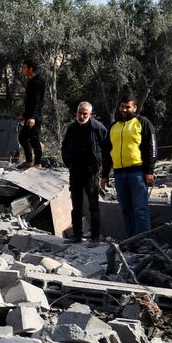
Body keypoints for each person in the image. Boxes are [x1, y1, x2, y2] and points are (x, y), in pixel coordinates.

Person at [101, 93, 157, 242]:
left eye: (128, 107)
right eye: (122, 107)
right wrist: (105, 174)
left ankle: (145, 243)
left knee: (140, 210)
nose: (124, 110)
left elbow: (151, 147)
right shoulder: (114, 127)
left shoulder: (142, 122)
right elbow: (107, 152)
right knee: (126, 210)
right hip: (119, 175)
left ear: (135, 107)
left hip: (137, 173)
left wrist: (149, 171)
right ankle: (132, 242)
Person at [61, 102, 108, 243]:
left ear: (90, 114)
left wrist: (102, 168)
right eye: (79, 113)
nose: (81, 116)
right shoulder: (71, 128)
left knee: (93, 205)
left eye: (85, 114)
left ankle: (95, 237)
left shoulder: (98, 128)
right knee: (76, 205)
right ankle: (77, 235)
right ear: (76, 112)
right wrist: (68, 162)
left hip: (91, 172)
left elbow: (107, 149)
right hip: (75, 171)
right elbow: (64, 147)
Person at [19, 59, 45, 168]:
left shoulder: (37, 82)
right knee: (23, 138)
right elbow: (29, 102)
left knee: (34, 139)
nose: (23, 70)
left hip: (35, 117)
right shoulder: (31, 82)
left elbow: (36, 102)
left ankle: (38, 163)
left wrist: (33, 117)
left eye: (25, 67)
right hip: (30, 116)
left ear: (30, 69)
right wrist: (24, 115)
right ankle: (29, 161)